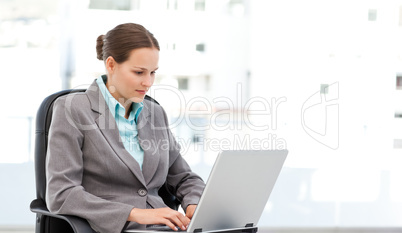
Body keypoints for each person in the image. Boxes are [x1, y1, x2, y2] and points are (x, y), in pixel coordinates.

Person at [45, 23, 205, 233]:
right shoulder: (73, 109)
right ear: (111, 64)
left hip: (161, 229)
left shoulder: (155, 113)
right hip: (105, 229)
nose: (148, 82)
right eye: (139, 72)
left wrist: (194, 203)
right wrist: (135, 213)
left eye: (153, 73)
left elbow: (184, 177)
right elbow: (62, 193)